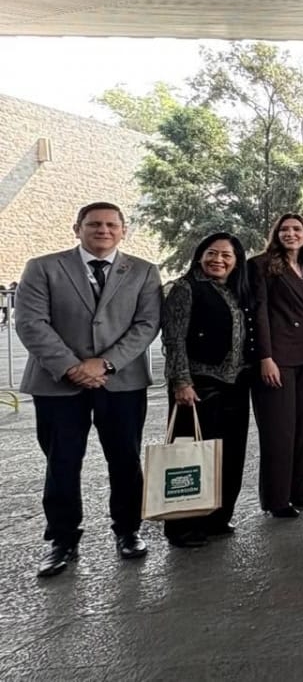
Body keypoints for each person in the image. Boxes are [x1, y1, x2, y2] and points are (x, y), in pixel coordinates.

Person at [16, 202, 162, 578]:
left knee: (125, 459)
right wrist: (71, 367)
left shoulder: (144, 271)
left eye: (112, 225)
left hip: (122, 381)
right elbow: (31, 322)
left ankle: (128, 530)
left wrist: (106, 363)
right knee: (62, 461)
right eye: (94, 224)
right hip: (57, 383)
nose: (103, 230)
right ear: (77, 228)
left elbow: (147, 325)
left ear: (123, 230)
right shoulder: (43, 267)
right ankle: (62, 539)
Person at [161, 232, 256, 547]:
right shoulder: (185, 288)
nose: (219, 260)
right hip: (198, 385)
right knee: (190, 456)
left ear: (236, 261)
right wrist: (181, 381)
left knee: (229, 455)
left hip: (235, 383)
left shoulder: (237, 290)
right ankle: (182, 526)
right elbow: (174, 339)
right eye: (212, 253)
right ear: (200, 256)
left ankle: (217, 517)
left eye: (227, 255)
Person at [249, 213, 303, 519]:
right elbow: (259, 313)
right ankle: (277, 499)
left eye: (297, 229)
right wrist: (265, 357)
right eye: (285, 229)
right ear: (276, 234)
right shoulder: (261, 265)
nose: (291, 234)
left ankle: (297, 492)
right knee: (279, 431)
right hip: (277, 357)